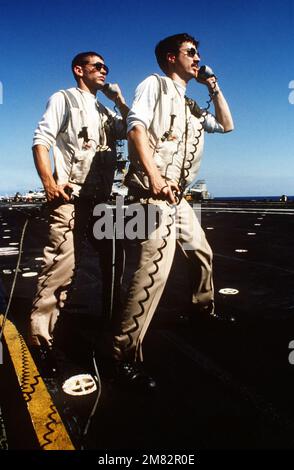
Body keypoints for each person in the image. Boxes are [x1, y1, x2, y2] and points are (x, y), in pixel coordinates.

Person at [110, 33, 234, 390]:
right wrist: (154, 178)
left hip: (177, 198)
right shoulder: (155, 85)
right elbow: (136, 129)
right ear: (170, 57)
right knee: (153, 274)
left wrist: (213, 87)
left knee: (202, 253)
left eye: (198, 54)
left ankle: (201, 311)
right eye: (191, 53)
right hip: (152, 195)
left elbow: (226, 125)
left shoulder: (191, 105)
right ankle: (122, 355)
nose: (197, 59)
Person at [28, 51, 129, 373]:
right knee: (61, 268)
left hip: (104, 200)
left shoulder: (105, 110)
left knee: (115, 264)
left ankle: (110, 328)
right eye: (97, 66)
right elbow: (41, 141)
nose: (103, 71)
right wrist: (48, 182)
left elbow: (132, 130)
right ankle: (41, 340)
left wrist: (120, 99)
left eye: (106, 67)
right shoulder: (63, 99)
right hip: (72, 197)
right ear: (79, 70)